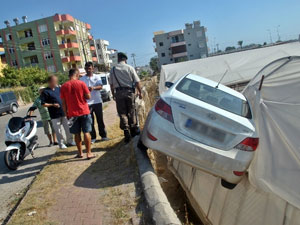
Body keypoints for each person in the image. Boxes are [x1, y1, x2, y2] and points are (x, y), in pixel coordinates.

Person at [61, 68, 95, 159]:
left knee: (76, 134)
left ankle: (80, 153)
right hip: (84, 111)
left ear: (69, 75)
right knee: (86, 132)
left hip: (72, 113)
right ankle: (89, 153)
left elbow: (63, 103)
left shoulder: (64, 86)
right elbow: (88, 96)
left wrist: (65, 113)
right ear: (77, 75)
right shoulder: (81, 83)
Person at [109, 52, 142, 143]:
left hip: (118, 93)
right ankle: (133, 130)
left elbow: (111, 84)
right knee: (131, 111)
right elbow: (137, 82)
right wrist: (140, 92)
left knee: (122, 113)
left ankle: (126, 131)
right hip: (129, 92)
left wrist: (113, 95)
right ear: (125, 59)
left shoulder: (113, 69)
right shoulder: (129, 68)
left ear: (118, 59)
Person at [41, 75, 75, 149]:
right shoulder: (46, 92)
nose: (56, 82)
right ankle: (61, 144)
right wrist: (52, 105)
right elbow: (43, 104)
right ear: (50, 82)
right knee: (58, 130)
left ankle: (70, 141)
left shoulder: (59, 88)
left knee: (68, 128)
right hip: (54, 115)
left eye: (56, 80)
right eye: (54, 81)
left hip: (63, 112)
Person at [80, 62, 108, 143]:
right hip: (88, 103)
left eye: (90, 68)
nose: (88, 70)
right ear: (85, 69)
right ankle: (93, 137)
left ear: (92, 68)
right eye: (87, 68)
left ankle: (103, 135)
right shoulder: (82, 79)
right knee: (90, 121)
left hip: (97, 101)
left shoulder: (97, 77)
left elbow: (100, 86)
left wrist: (93, 87)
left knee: (100, 119)